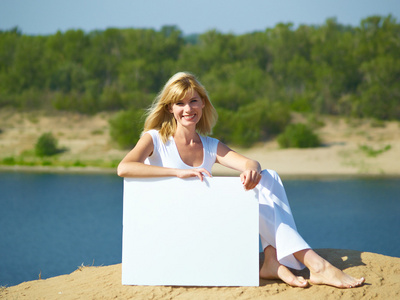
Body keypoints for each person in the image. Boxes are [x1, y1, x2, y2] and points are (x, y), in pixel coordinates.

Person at [117, 72, 365, 288]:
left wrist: (251, 171)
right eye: (179, 103)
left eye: (193, 101)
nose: (187, 109)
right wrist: (177, 172)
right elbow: (124, 167)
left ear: (203, 104)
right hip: (172, 227)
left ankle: (272, 259)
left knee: (268, 177)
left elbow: (249, 162)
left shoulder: (209, 145)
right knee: (263, 186)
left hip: (205, 223)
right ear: (170, 108)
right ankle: (316, 264)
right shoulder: (155, 139)